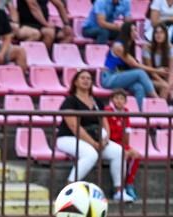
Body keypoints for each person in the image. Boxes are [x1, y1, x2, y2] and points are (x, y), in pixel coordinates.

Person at [55, 69, 134, 202]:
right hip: (69, 138)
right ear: (75, 82)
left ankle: (119, 191)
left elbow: (105, 122)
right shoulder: (69, 101)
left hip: (96, 139)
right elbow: (74, 127)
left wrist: (106, 139)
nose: (86, 80)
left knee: (119, 152)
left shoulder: (97, 101)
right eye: (82, 78)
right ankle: (68, 190)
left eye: (89, 78)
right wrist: (94, 144)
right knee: (91, 154)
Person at [101, 22, 160, 108]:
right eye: (133, 30)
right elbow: (135, 65)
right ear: (127, 32)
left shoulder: (130, 45)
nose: (136, 32)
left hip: (119, 75)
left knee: (139, 87)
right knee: (139, 73)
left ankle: (141, 114)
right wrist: (157, 71)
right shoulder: (119, 46)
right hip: (109, 78)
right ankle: (157, 100)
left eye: (136, 30)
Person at [104, 88, 142, 200]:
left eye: (121, 98)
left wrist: (127, 148)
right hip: (110, 143)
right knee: (122, 155)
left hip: (121, 143)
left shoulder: (126, 113)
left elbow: (127, 133)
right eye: (116, 98)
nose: (119, 101)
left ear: (125, 101)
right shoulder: (107, 111)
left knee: (136, 155)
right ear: (112, 100)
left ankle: (129, 184)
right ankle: (118, 189)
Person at [143, 24, 173, 101]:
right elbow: (151, 71)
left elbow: (171, 70)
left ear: (166, 35)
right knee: (164, 87)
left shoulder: (170, 48)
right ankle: (162, 111)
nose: (159, 35)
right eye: (156, 33)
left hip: (164, 78)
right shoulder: (147, 48)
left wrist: (170, 84)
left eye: (161, 33)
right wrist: (166, 84)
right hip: (149, 78)